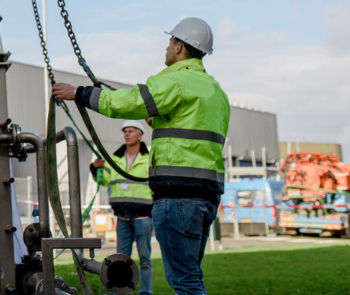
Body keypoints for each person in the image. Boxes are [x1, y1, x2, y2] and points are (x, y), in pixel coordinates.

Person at [53, 17, 230, 295]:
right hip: (206, 196)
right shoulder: (215, 91)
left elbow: (128, 102)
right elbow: (192, 131)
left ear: (180, 47)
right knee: (191, 274)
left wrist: (79, 93)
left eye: (170, 41)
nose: (167, 47)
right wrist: (157, 122)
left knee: (185, 281)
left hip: (177, 196)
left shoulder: (174, 80)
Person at [91, 120, 153, 295]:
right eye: (125, 131)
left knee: (144, 259)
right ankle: (118, 292)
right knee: (120, 260)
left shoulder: (149, 158)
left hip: (143, 217)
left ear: (140, 135)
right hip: (122, 217)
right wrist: (96, 169)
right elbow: (104, 181)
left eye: (131, 131)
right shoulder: (115, 158)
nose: (126, 134)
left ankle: (146, 292)